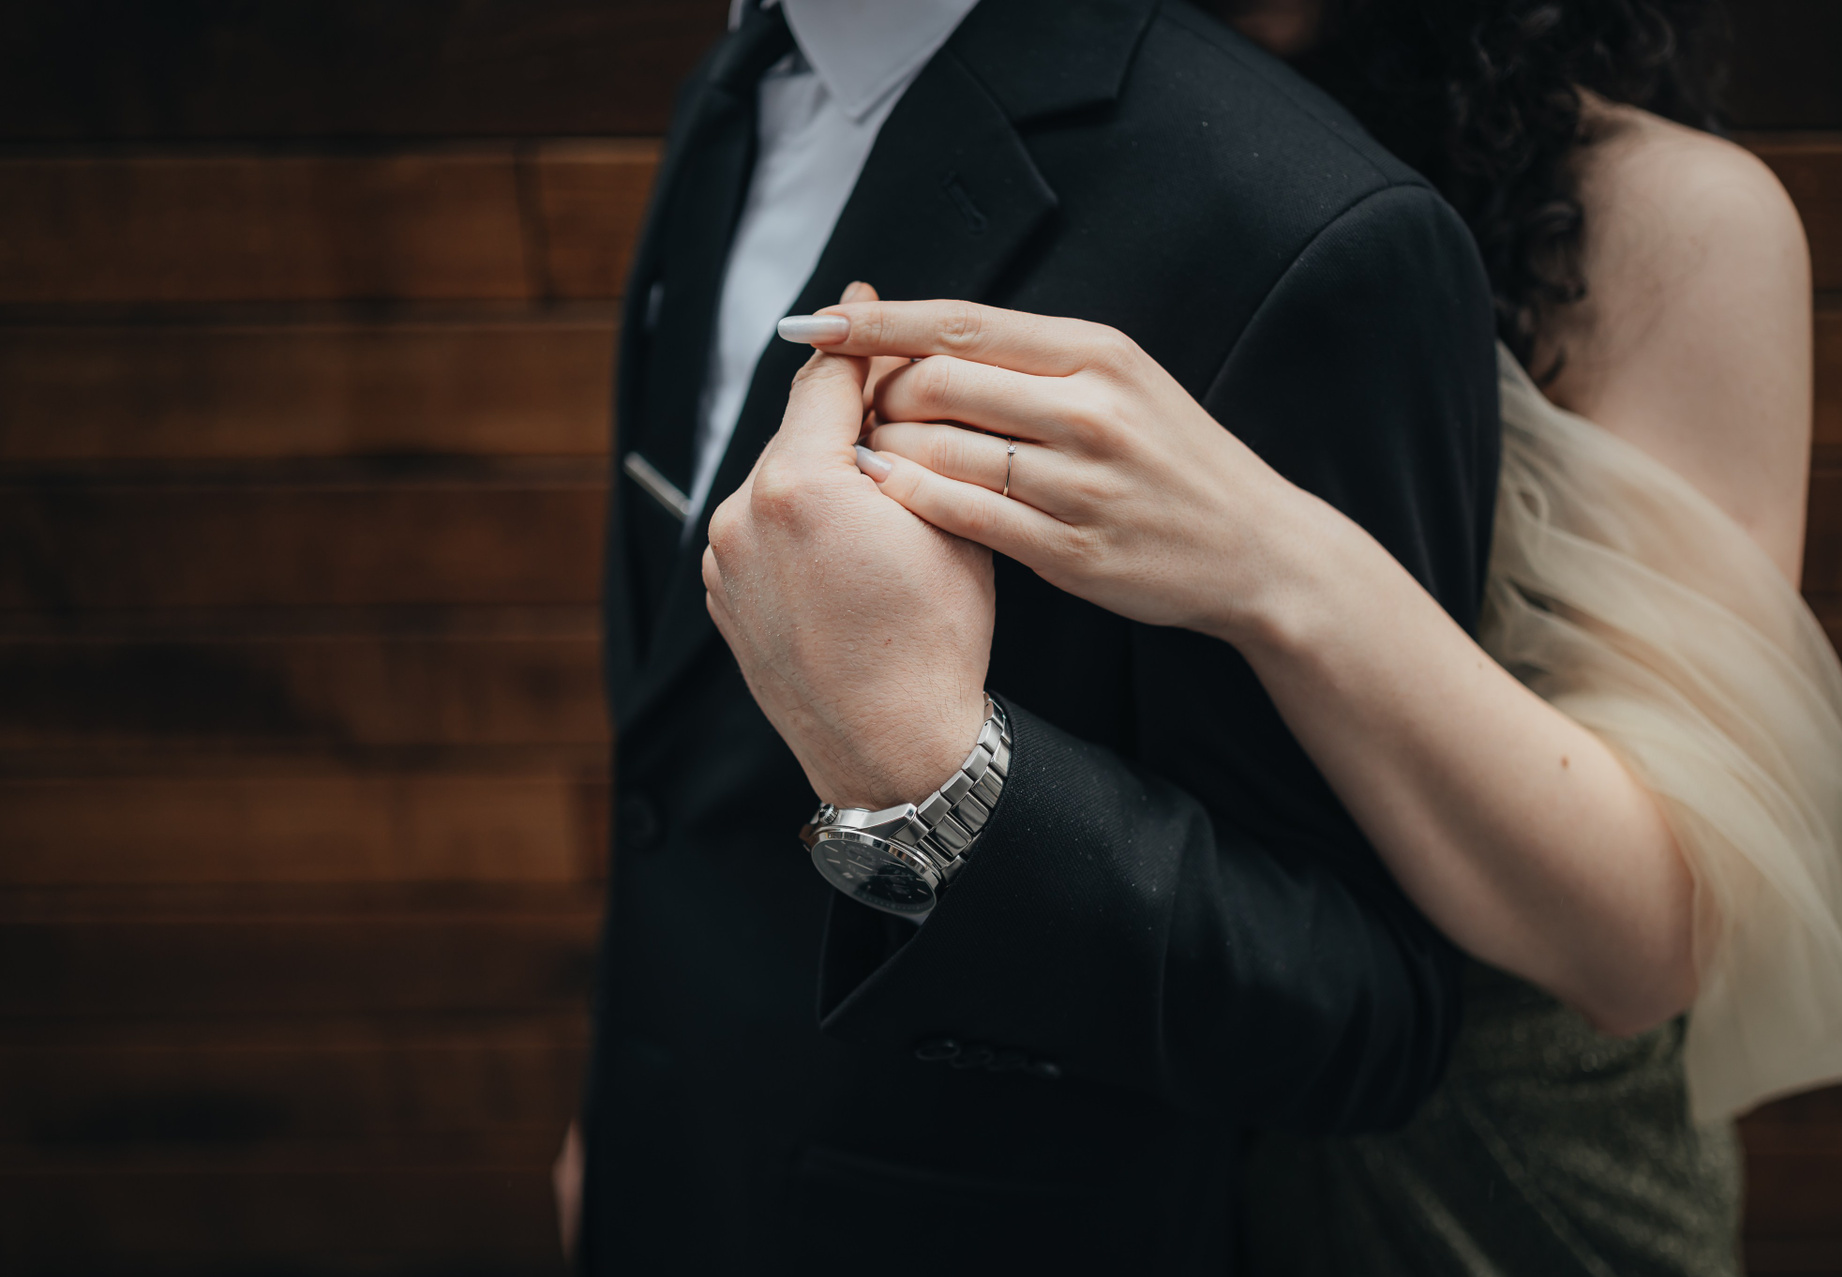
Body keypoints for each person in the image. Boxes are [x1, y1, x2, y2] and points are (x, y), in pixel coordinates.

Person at [779, 0, 1842, 1271]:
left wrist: (1268, 555)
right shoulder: (1044, 106)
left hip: (1488, 1178)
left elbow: (1652, 939)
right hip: (1140, 1126)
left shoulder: (1678, 218)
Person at [570, 0, 1508, 1270]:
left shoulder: (1301, 220)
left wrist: (934, 777)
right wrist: (626, 1112)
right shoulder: (742, 75)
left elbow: (1372, 1017)